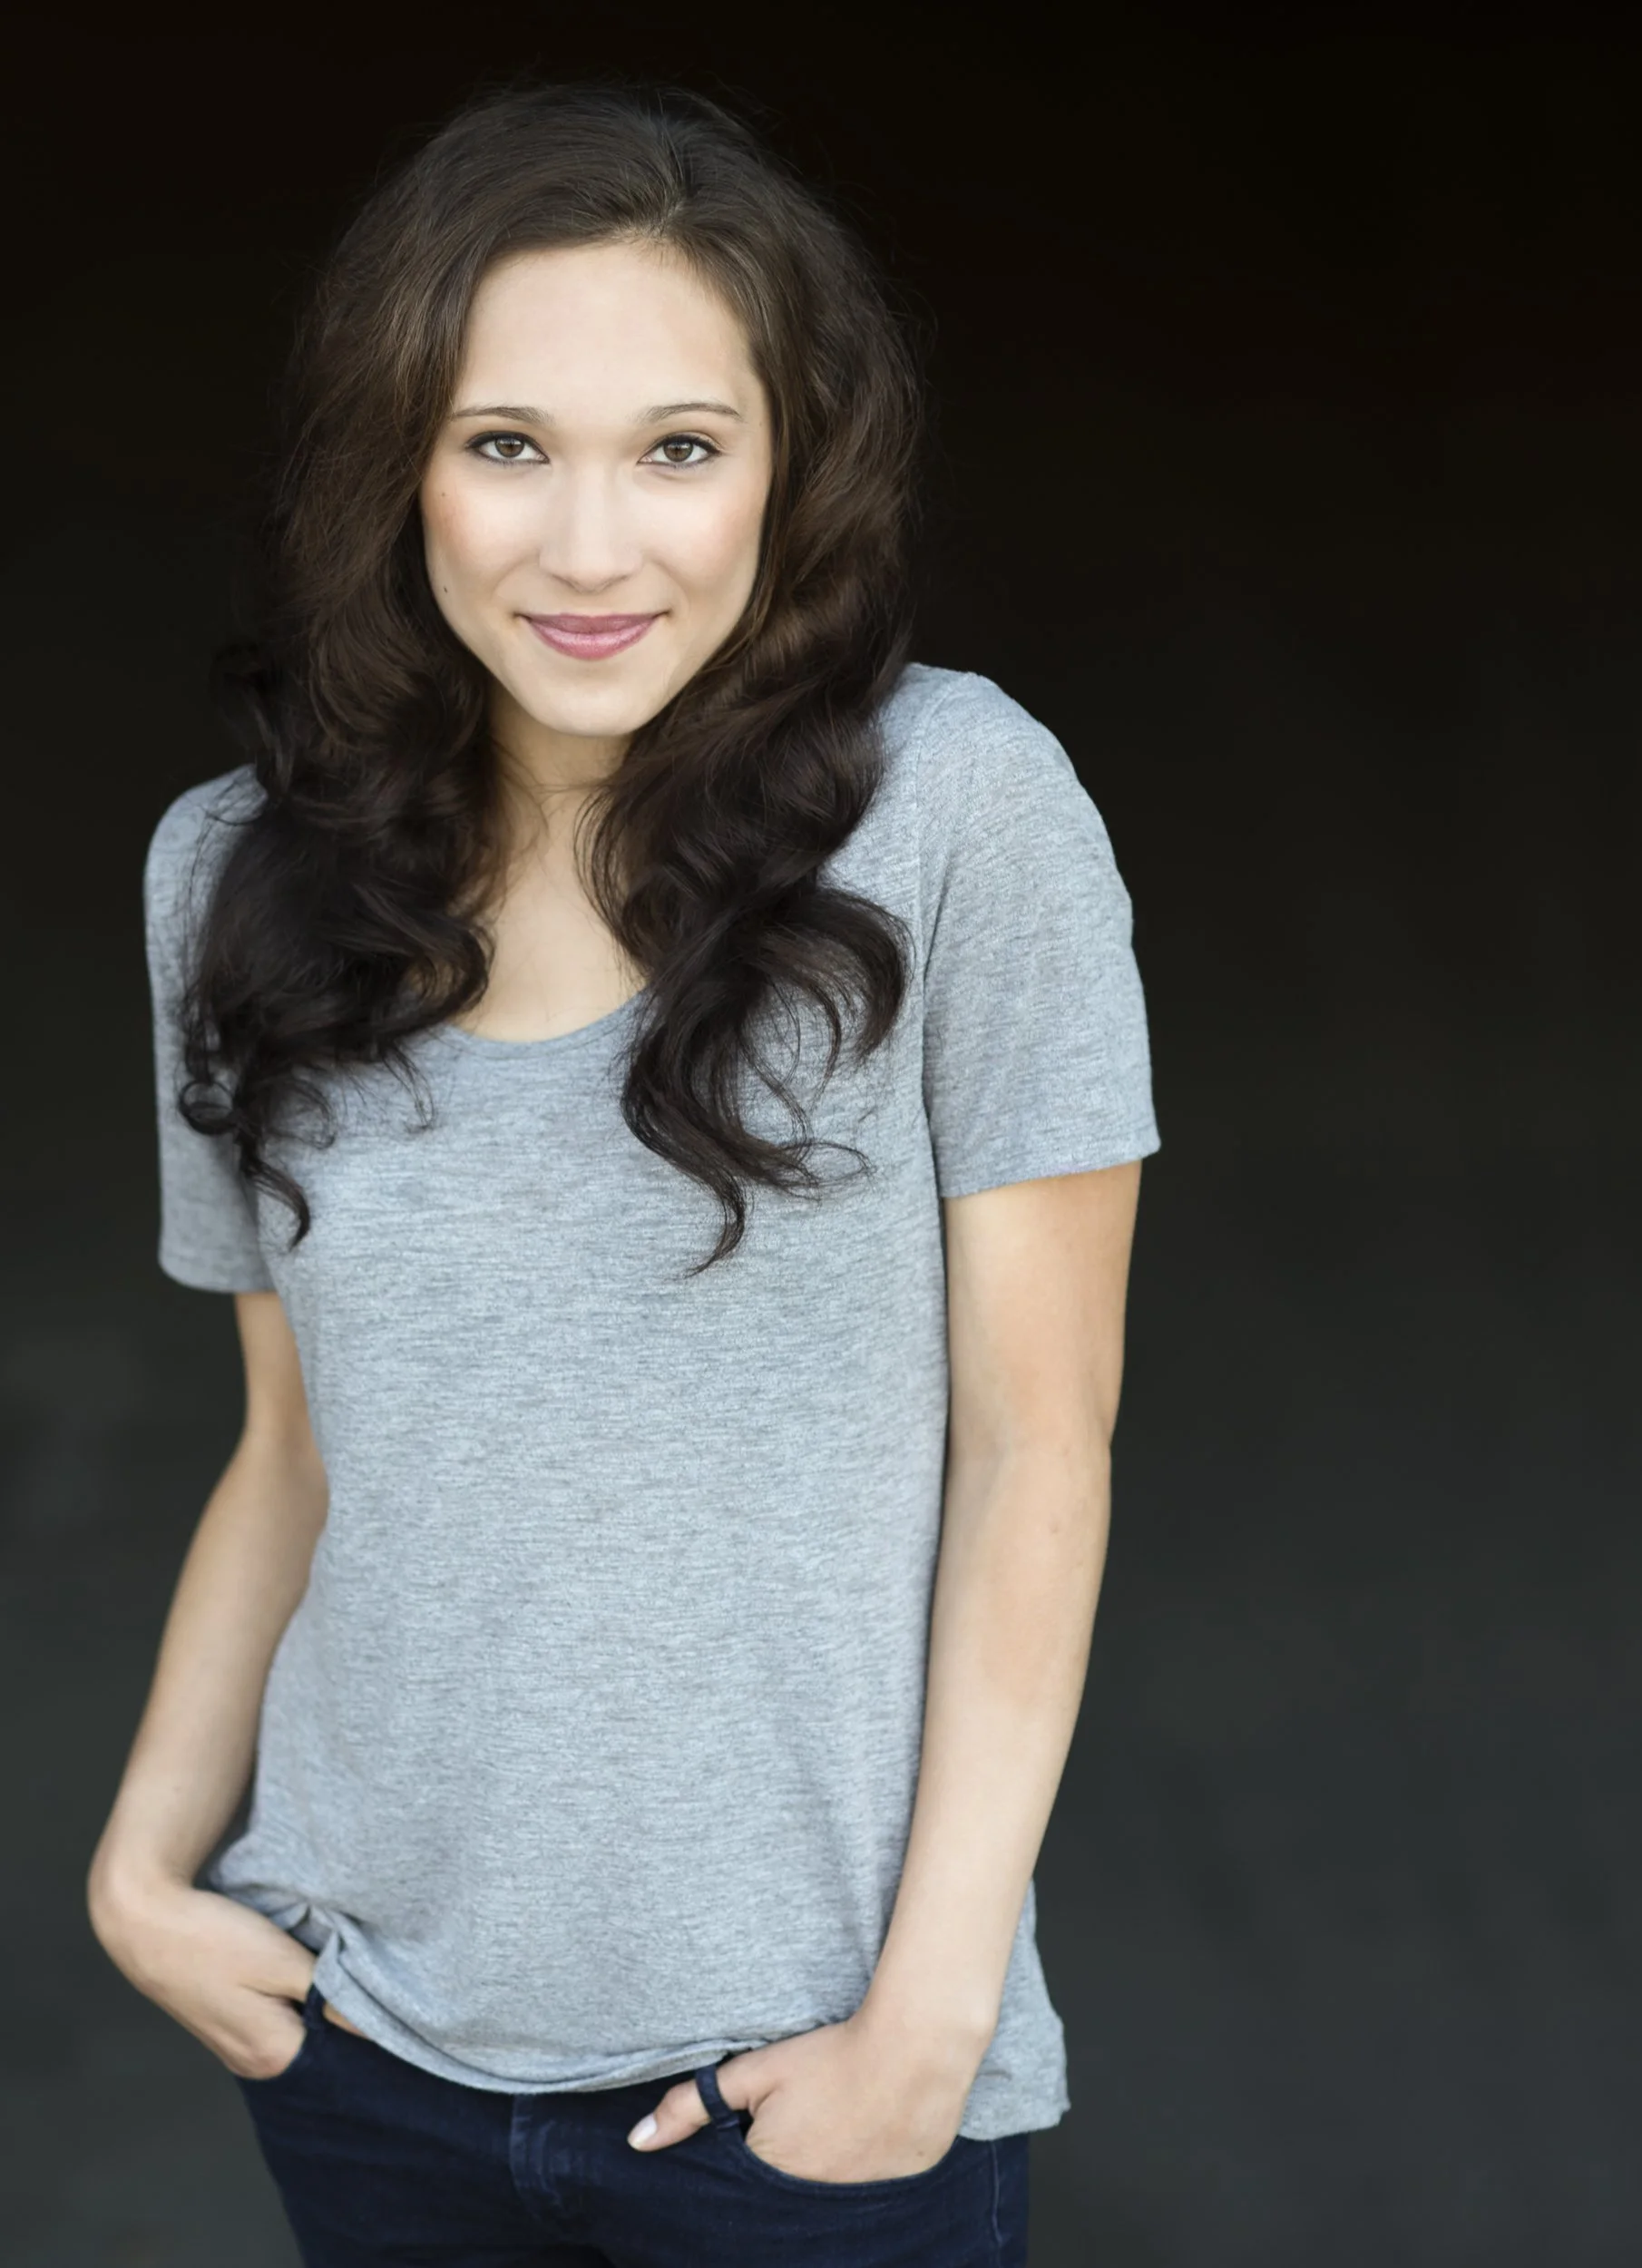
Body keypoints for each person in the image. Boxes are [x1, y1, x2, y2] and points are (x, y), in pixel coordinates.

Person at [86, 79, 1158, 2268]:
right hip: (367, 2046)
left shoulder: (960, 807)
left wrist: (924, 2027)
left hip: (803, 2079)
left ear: (789, 463)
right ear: (398, 465)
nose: (592, 548)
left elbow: (1042, 1444)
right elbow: (295, 1453)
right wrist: (137, 1875)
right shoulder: (230, 876)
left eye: (680, 447)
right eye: (506, 446)